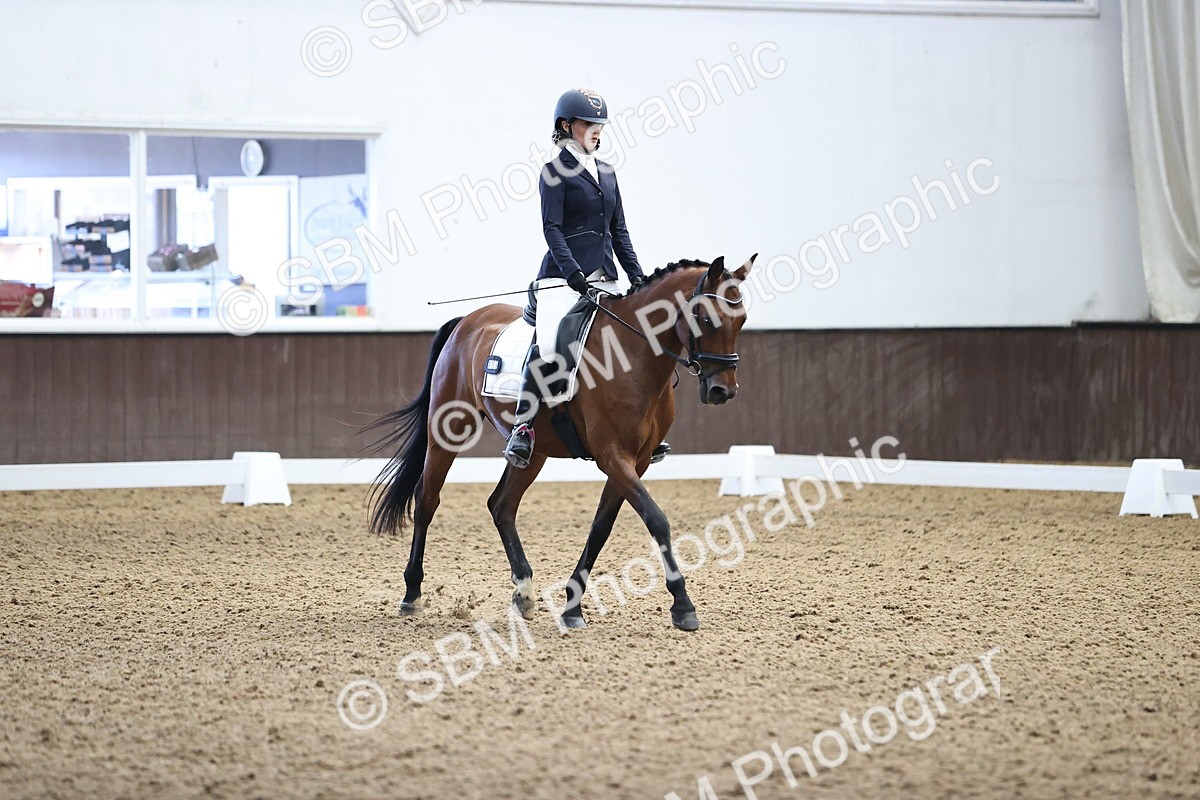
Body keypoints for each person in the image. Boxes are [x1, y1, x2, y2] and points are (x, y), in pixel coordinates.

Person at [503, 87, 669, 468]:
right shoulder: (554, 171)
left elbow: (619, 230)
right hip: (562, 278)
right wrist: (572, 272)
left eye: (600, 125)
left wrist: (638, 277)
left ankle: (641, 428)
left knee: (632, 343)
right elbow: (552, 229)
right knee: (549, 343)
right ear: (567, 126)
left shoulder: (608, 173)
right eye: (589, 124)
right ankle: (524, 427)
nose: (597, 130)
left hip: (605, 276)